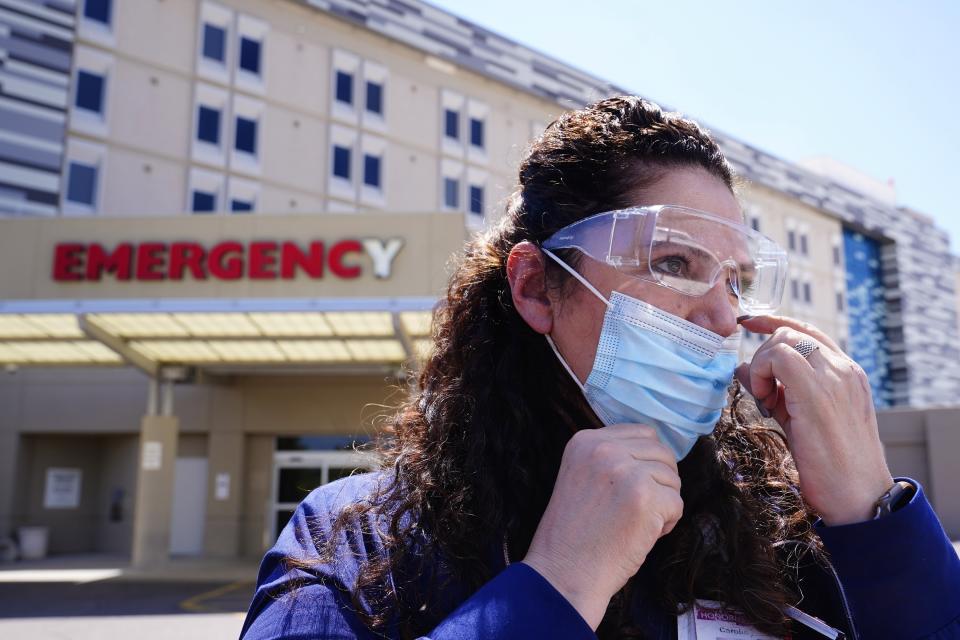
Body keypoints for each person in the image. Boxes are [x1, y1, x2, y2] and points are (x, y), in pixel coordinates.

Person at [240, 96, 960, 640]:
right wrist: (557, 583)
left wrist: (876, 516)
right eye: (674, 263)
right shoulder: (358, 537)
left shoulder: (787, 530)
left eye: (736, 281)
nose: (723, 317)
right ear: (533, 287)